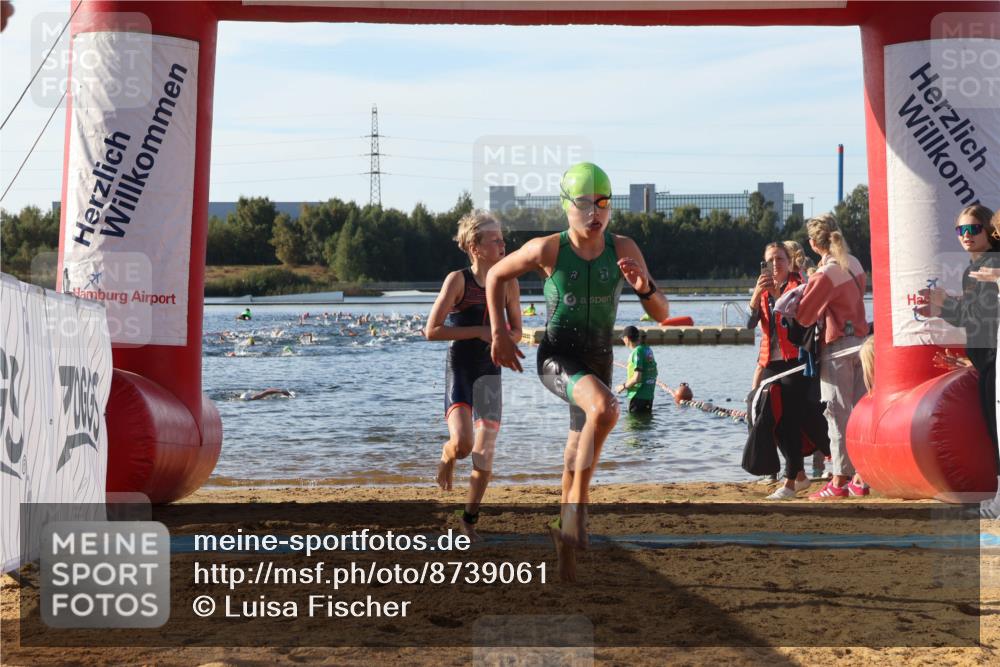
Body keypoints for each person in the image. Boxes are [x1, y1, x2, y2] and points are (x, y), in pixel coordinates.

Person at [485, 162, 669, 548]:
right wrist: (499, 333)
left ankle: (562, 531)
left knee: (576, 450)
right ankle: (576, 516)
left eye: (602, 204)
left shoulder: (624, 247)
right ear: (565, 205)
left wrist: (643, 288)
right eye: (584, 203)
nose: (594, 213)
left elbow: (662, 313)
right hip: (557, 358)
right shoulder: (548, 248)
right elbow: (495, 275)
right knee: (604, 409)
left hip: (599, 359)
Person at [425, 210, 522, 540]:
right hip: (461, 370)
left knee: (484, 454)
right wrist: (482, 331)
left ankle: (468, 518)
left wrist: (504, 339)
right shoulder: (458, 281)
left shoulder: (508, 282)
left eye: (502, 239)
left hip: (490, 373)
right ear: (474, 247)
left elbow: (518, 330)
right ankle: (447, 453)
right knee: (464, 444)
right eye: (495, 240)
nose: (503, 245)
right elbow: (431, 331)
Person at [795, 213, 871, 499]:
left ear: (814, 244)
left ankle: (839, 479)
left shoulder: (825, 273)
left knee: (837, 414)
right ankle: (862, 476)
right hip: (862, 343)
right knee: (860, 411)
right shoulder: (856, 264)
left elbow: (804, 314)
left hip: (837, 346)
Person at [945, 204, 1000, 518]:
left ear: (988, 231)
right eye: (961, 230)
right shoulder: (974, 267)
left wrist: (944, 308)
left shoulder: (992, 264)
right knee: (993, 431)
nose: (966, 236)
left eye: (973, 229)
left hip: (995, 359)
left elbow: (982, 317)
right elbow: (975, 321)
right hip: (987, 361)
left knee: (997, 431)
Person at [747, 242, 812, 499]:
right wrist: (756, 296)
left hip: (794, 361)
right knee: (764, 413)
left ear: (789, 261)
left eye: (780, 259)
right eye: (770, 260)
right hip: (770, 362)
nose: (775, 264)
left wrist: (778, 297)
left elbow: (802, 324)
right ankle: (800, 475)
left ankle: (789, 482)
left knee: (789, 420)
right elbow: (750, 324)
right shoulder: (762, 290)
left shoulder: (799, 287)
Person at [616, 325, 658, 415]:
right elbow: (654, 371)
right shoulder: (648, 350)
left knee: (632, 426)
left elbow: (637, 378)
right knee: (645, 425)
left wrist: (622, 386)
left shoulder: (636, 352)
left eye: (623, 338)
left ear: (627, 339)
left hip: (637, 396)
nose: (623, 341)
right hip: (649, 395)